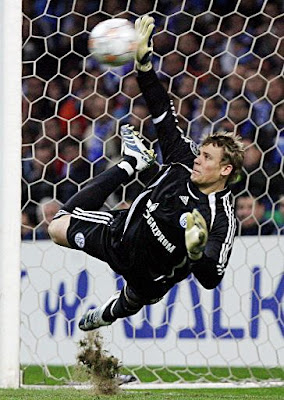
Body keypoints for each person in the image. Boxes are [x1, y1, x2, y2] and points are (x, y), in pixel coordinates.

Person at [48, 16, 244, 332]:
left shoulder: (222, 217)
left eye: (206, 158)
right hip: (121, 234)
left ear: (225, 169)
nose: (197, 160)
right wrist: (144, 68)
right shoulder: (183, 159)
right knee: (57, 227)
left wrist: (196, 252)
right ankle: (130, 164)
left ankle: (107, 314)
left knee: (137, 299)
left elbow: (212, 278)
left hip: (154, 274)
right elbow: (161, 111)